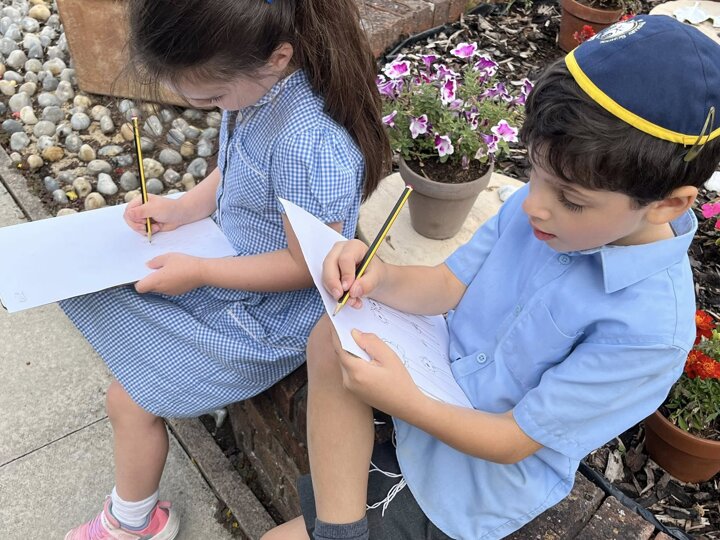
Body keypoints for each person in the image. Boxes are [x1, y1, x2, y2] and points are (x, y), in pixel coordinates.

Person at [262, 15, 720, 540]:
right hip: (428, 376)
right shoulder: (546, 210)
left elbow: (513, 441)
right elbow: (447, 285)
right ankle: (340, 531)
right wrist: (379, 277)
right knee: (331, 332)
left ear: (668, 204)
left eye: (570, 199)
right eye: (534, 174)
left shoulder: (649, 331)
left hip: (466, 477)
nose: (534, 206)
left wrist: (405, 400)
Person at [61, 0, 390, 538]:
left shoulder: (309, 144)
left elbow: (309, 266)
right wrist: (183, 208)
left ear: (277, 57)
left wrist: (200, 273)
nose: (210, 109)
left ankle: (132, 522)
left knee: (128, 397)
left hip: (270, 318)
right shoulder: (259, 88)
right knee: (108, 308)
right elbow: (233, 167)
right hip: (230, 274)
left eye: (212, 98)